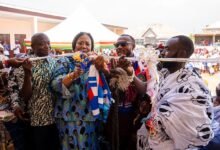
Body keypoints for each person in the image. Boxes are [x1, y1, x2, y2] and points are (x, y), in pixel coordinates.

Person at [143, 35, 220, 149]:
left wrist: (155, 119)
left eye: (168, 49)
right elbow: (149, 88)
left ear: (182, 54)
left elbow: (193, 134)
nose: (163, 53)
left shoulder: (192, 87)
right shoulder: (167, 75)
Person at [51, 32, 107, 150]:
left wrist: (101, 68)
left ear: (91, 47)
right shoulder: (64, 61)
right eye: (80, 43)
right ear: (74, 46)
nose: (84, 46)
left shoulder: (95, 63)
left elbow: (105, 85)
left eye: (87, 43)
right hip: (68, 117)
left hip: (90, 117)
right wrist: (73, 75)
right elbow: (55, 85)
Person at [105, 34, 150, 150]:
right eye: (117, 45)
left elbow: (145, 91)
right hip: (114, 114)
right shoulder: (111, 63)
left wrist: (130, 74)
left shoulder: (143, 64)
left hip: (134, 116)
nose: (119, 47)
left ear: (133, 46)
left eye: (124, 44)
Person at [23, 33, 60, 150]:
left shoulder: (54, 62)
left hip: (57, 116)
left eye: (48, 43)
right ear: (32, 46)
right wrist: (27, 74)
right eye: (41, 44)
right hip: (39, 120)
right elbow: (25, 96)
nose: (46, 46)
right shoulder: (26, 64)